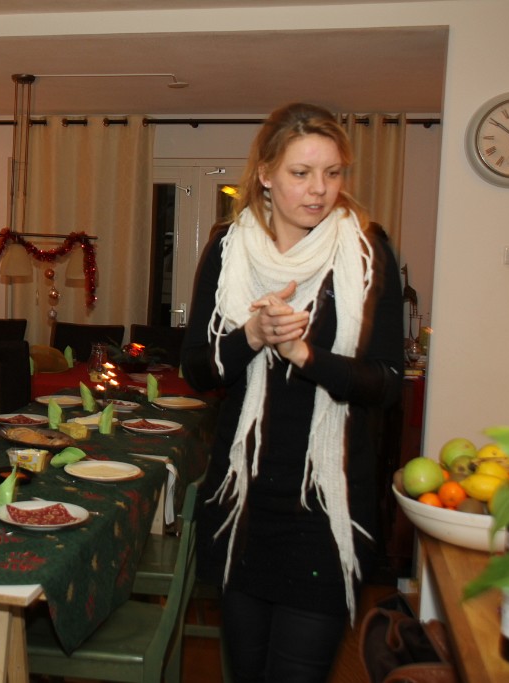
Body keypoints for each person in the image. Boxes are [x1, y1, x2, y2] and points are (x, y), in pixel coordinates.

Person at [180, 102, 404, 683]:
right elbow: (198, 370)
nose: (320, 189)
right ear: (265, 174)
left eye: (332, 173)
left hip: (326, 511)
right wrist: (253, 335)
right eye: (301, 173)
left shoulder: (367, 251)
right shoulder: (227, 248)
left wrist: (305, 356)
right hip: (243, 506)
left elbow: (386, 383)